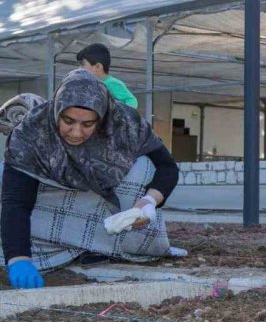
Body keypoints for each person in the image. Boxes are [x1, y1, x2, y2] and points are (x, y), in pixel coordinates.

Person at [1, 70, 180, 288]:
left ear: (102, 118)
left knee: (144, 166)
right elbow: (16, 203)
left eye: (88, 124)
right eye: (68, 121)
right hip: (49, 210)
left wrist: (148, 203)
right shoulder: (31, 133)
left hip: (103, 211)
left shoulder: (125, 125)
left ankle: (100, 246)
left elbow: (167, 166)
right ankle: (61, 247)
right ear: (56, 111)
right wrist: (19, 259)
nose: (76, 133)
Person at [76, 43, 139, 109]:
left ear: (98, 67)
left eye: (82, 64)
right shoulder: (90, 85)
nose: (79, 68)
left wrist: (123, 114)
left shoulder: (112, 83)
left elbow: (131, 100)